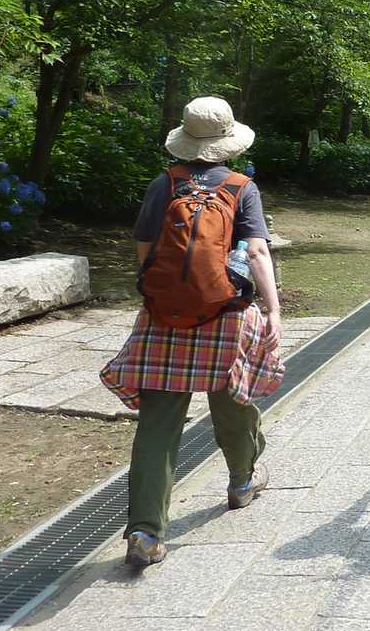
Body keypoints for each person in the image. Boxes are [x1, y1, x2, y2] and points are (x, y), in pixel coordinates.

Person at [101, 97, 284, 567]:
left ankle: (144, 532)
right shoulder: (241, 187)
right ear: (228, 142)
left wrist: (160, 295)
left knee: (158, 425)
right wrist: (272, 308)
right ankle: (242, 481)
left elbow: (145, 249)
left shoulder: (163, 184)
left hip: (164, 316)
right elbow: (257, 252)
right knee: (234, 402)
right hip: (225, 315)